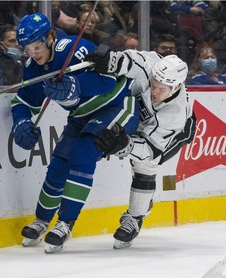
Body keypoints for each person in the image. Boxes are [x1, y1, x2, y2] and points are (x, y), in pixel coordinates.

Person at [12, 13, 139, 253]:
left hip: (116, 105)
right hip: (81, 117)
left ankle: (65, 223)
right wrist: (20, 123)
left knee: (83, 152)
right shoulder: (32, 68)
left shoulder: (75, 47)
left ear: (50, 37)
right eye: (27, 50)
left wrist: (76, 86)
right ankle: (41, 220)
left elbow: (108, 80)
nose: (33, 54)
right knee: (60, 162)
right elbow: (23, 101)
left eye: (37, 46)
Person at [85, 45, 196, 249]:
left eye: (161, 89)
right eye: (154, 84)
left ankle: (135, 217)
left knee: (145, 164)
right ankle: (144, 204)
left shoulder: (176, 113)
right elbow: (131, 61)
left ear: (177, 87)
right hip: (141, 118)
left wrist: (124, 145)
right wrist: (112, 60)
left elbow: (149, 149)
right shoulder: (153, 64)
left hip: (174, 134)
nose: (154, 91)